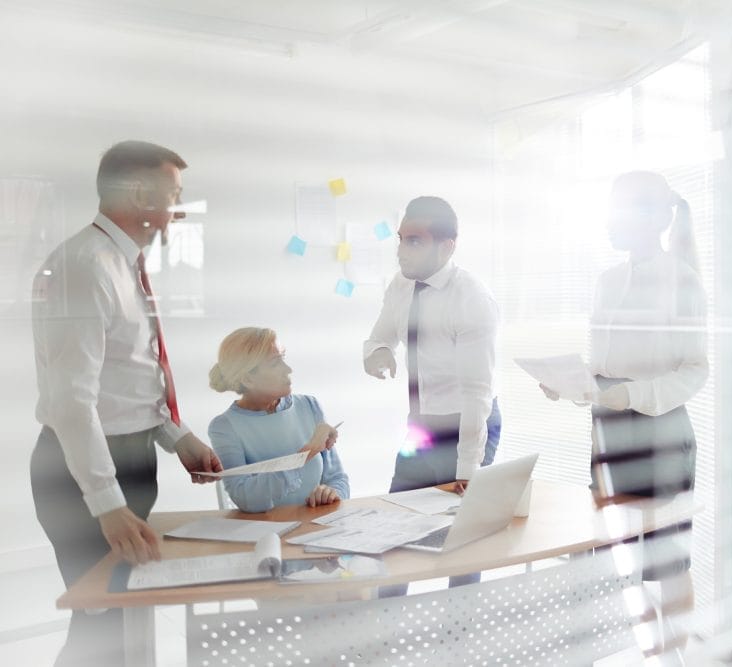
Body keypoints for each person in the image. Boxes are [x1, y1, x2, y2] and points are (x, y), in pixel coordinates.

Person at [30, 140, 223, 666]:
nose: (178, 208)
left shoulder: (122, 262)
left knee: (123, 617)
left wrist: (176, 436)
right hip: (82, 474)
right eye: (173, 194)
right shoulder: (84, 266)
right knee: (102, 624)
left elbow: (130, 374)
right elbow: (72, 402)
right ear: (139, 194)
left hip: (130, 457)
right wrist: (107, 504)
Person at [541, 171, 708, 651]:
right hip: (608, 432)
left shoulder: (682, 281)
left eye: (620, 208)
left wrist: (631, 396)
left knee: (666, 564)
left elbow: (695, 370)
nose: (609, 219)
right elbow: (605, 367)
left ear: (655, 218)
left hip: (660, 435)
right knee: (611, 558)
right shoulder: (607, 281)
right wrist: (572, 383)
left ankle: (675, 658)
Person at [364, 196, 500, 590]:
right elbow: (379, 337)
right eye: (401, 239)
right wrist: (378, 354)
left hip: (468, 421)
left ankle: (460, 623)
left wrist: (467, 470)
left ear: (446, 247)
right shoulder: (400, 285)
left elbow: (477, 393)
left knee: (461, 538)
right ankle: (387, 617)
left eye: (415, 241)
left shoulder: (471, 298)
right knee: (394, 524)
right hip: (422, 423)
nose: (401, 251)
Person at [207, 327, 349, 512]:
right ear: (248, 379)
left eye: (284, 357)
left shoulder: (309, 405)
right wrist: (308, 452)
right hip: (266, 529)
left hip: (316, 525)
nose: (288, 369)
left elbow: (338, 479)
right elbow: (246, 498)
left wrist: (332, 493)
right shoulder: (224, 427)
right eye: (275, 363)